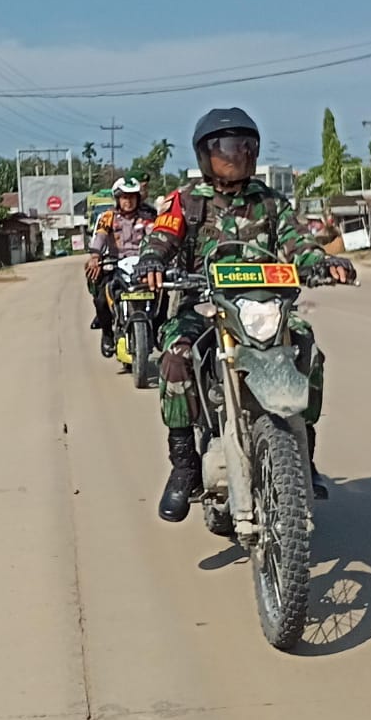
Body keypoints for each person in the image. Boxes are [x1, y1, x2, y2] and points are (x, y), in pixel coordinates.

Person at [137, 107, 356, 522]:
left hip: (265, 306)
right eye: (223, 148)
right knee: (176, 359)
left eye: (243, 146)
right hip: (202, 307)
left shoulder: (271, 202)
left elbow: (298, 243)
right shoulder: (185, 202)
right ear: (205, 154)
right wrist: (152, 262)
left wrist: (324, 262)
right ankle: (184, 467)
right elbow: (161, 238)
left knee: (308, 348)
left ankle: (302, 454)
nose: (234, 155)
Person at [85, 177, 156, 357]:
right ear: (117, 199)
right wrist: (95, 256)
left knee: (161, 291)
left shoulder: (148, 217)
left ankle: (158, 328)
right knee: (101, 299)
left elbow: (155, 236)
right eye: (124, 197)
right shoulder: (107, 217)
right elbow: (100, 236)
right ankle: (107, 334)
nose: (128, 201)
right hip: (115, 264)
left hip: (143, 264)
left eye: (132, 196)